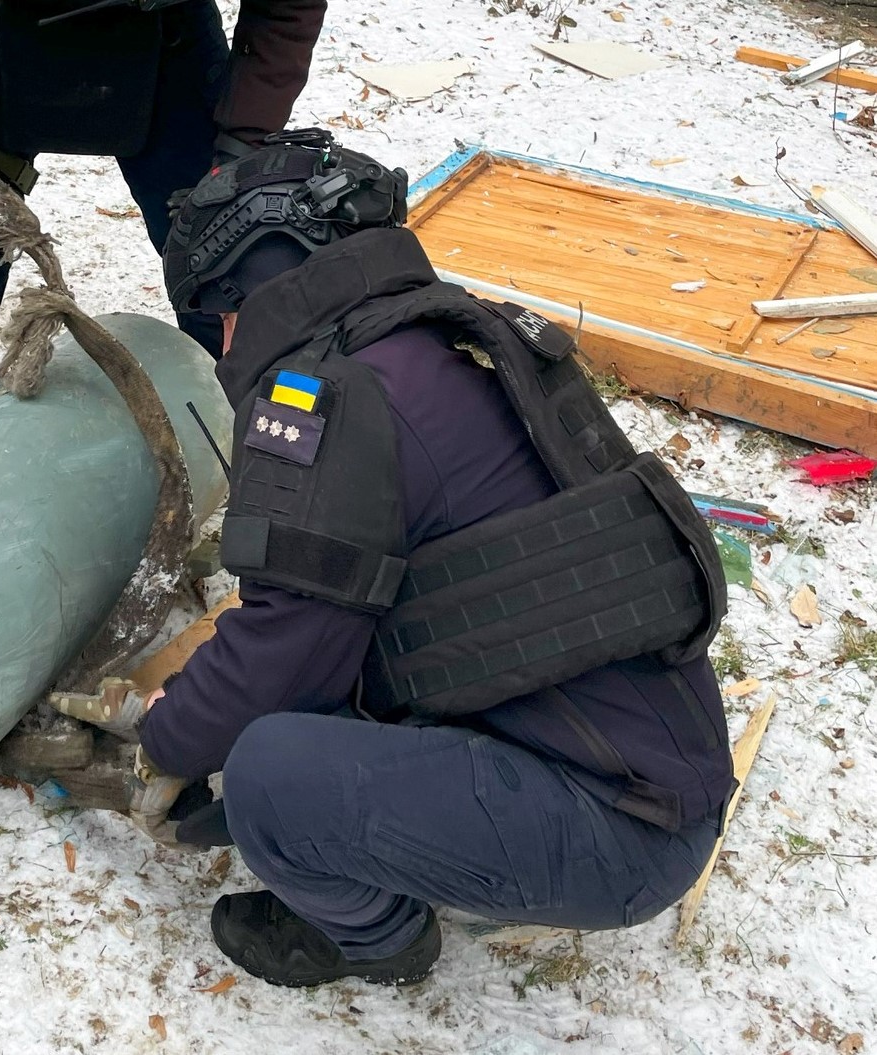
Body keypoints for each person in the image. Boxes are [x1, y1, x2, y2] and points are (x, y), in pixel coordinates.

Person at [53, 130, 734, 989]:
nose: (223, 343)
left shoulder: (326, 394)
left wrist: (168, 736)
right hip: (653, 767)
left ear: (249, 287)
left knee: (268, 774)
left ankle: (372, 939)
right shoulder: (446, 342)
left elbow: (285, 652)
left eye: (217, 315)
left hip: (613, 826)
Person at [0, 0, 328, 441]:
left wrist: (246, 130)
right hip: (4, 27)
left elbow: (287, 7)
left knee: (222, 248)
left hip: (166, 38)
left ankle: (239, 434)